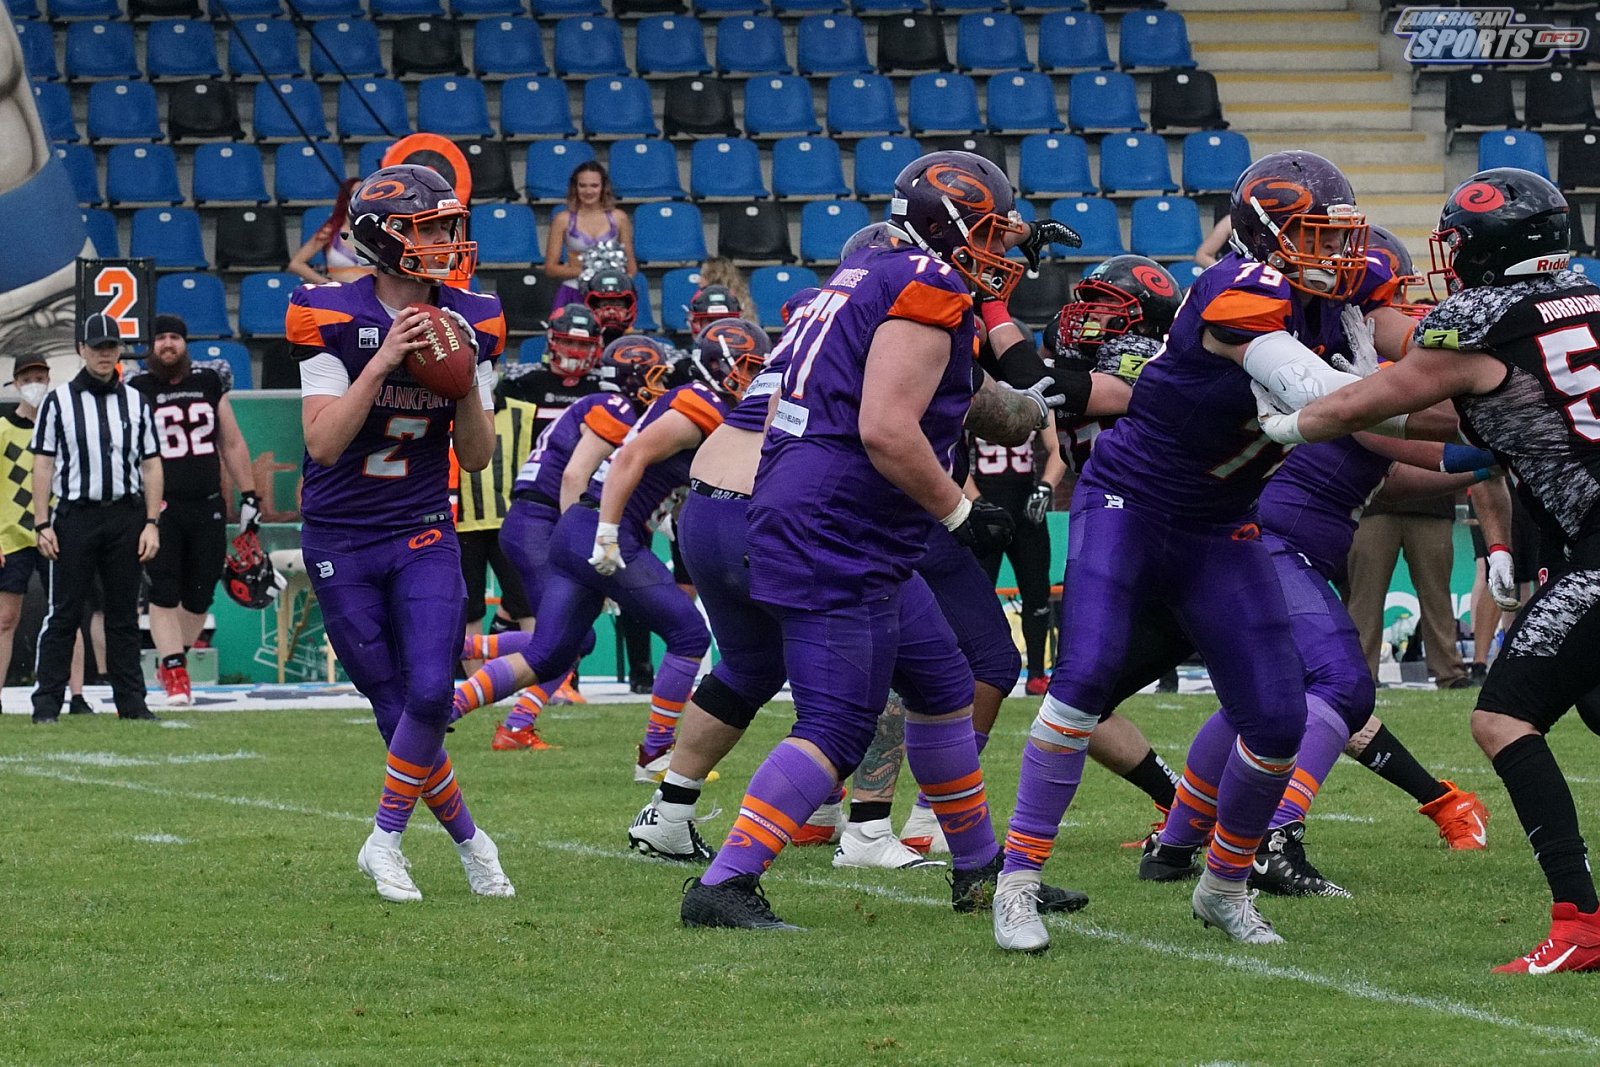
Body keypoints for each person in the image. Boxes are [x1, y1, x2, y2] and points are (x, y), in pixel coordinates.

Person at [992, 150, 1420, 952]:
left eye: (1340, 233)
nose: (1339, 251)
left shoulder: (1345, 289)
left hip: (1223, 518)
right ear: (1269, 235)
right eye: (1317, 234)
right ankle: (1016, 881)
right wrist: (1441, 392)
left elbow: (1420, 346)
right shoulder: (1238, 286)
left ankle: (1222, 887)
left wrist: (1492, 372)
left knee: (1277, 718)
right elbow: (1320, 395)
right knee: (1084, 679)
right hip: (1132, 500)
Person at [679, 152, 1087, 930]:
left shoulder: (860, 278)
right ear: (945, 225)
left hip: (830, 510)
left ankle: (978, 868)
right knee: (836, 724)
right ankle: (725, 881)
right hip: (839, 522)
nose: (999, 249)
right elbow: (887, 429)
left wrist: (1036, 401)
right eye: (989, 232)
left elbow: (962, 397)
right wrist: (960, 513)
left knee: (942, 684)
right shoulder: (924, 285)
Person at [1254, 167, 1600, 973]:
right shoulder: (1583, 298)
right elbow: (1455, 420)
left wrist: (1284, 421)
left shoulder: (1481, 322)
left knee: (1502, 719)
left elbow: (1363, 405)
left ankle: (1580, 922)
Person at [287, 164, 513, 903]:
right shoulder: (327, 311)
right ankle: (473, 842)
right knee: (392, 700)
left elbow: (475, 457)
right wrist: (385, 358)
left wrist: (466, 378)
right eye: (431, 227)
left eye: (449, 225)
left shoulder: (475, 316)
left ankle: (383, 839)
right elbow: (323, 443)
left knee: (430, 690)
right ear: (385, 238)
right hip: (340, 535)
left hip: (421, 526)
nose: (448, 239)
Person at [451, 327, 742, 781]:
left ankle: (442, 709)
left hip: (576, 527)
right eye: (652, 375)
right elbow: (612, 465)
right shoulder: (675, 403)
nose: (659, 384)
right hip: (586, 524)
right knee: (688, 634)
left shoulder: (657, 408)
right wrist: (604, 535)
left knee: (551, 652)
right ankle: (654, 753)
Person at [474, 336, 663, 750]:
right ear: (631, 377)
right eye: (654, 376)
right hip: (542, 520)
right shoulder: (615, 407)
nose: (661, 385)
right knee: (566, 638)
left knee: (576, 637)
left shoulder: (607, 404)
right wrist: (575, 540)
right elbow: (574, 476)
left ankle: (470, 657)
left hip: (535, 520)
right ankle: (506, 722)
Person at [30, 312, 161, 724]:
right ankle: (47, 705)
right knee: (65, 613)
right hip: (75, 516)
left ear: (119, 350)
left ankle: (132, 704)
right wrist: (41, 523)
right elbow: (43, 464)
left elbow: (151, 464)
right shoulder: (58, 402)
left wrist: (151, 523)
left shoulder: (136, 401)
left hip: (125, 515)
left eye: (110, 346)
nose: (104, 354)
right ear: (80, 350)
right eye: (96, 347)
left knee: (123, 614)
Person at [127, 313, 259, 706]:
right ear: (150, 346)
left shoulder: (208, 380)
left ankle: (176, 661)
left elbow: (231, 443)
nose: (168, 344)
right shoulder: (137, 387)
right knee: (164, 589)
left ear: (186, 343)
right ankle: (173, 670)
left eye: (175, 337)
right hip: (160, 507)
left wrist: (250, 495)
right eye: (160, 338)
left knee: (201, 593)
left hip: (207, 502)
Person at [0, 354, 48, 692]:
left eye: (40, 379)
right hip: (11, 535)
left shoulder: (58, 427)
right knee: (5, 618)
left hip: (53, 532)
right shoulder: (2, 429)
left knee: (66, 617)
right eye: (27, 379)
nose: (34, 385)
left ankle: (75, 695)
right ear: (16, 383)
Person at [544, 162, 636, 313]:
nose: (588, 191)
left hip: (610, 298)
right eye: (582, 185)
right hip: (573, 292)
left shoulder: (619, 218)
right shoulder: (562, 219)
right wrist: (591, 272)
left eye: (594, 185)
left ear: (603, 187)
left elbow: (631, 267)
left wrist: (613, 286)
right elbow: (550, 268)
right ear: (575, 187)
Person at [287, 178, 371, 286]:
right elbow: (295, 264)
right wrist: (326, 284)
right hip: (340, 294)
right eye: (354, 194)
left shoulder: (379, 232)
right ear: (345, 200)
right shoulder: (331, 231)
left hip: (373, 295)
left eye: (364, 194)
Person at [692, 258, 756, 327]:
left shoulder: (739, 302)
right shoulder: (701, 300)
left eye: (703, 276)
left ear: (715, 277)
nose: (699, 281)